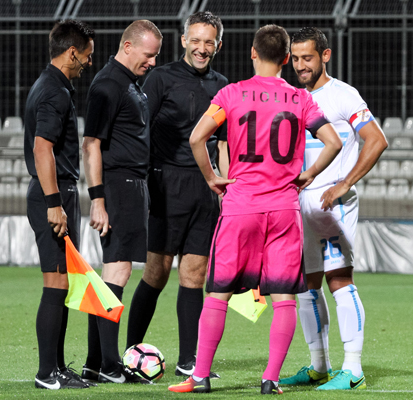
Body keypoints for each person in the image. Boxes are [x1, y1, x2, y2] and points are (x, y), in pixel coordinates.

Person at [168, 24, 342, 395]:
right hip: (283, 209)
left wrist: (212, 177)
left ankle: (200, 377)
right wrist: (309, 174)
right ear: (286, 58)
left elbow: (197, 137)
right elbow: (333, 142)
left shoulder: (231, 94)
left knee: (218, 294)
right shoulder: (300, 99)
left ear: (252, 53)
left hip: (240, 207)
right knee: (284, 299)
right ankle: (270, 379)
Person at [279, 27, 388, 391]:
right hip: (300, 204)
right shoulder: (293, 96)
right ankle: (319, 366)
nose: (301, 66)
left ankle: (353, 369)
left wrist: (344, 184)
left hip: (333, 203)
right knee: (306, 285)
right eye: (295, 59)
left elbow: (377, 140)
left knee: (339, 279)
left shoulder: (343, 95)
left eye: (308, 58)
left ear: (325, 56)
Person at [125, 11, 228, 379]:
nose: (201, 48)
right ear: (184, 40)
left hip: (205, 189)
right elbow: (140, 131)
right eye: (195, 40)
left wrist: (225, 187)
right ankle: (131, 352)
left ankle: (190, 361)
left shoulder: (223, 86)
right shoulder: (160, 78)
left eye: (208, 42)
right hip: (165, 185)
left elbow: (223, 144)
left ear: (218, 45)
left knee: (194, 276)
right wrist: (142, 182)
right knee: (156, 273)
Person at [79, 20, 163, 384]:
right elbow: (90, 144)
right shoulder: (108, 85)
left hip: (130, 185)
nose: (153, 62)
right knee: (118, 270)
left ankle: (94, 361)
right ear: (127, 47)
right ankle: (110, 365)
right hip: (118, 185)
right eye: (149, 55)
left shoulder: (128, 83)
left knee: (112, 272)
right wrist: (97, 199)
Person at [24, 19, 95, 390]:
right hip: (53, 194)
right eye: (87, 55)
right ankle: (46, 373)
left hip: (59, 192)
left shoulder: (49, 84)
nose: (89, 62)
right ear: (72, 52)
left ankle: (56, 367)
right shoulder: (55, 91)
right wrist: (54, 203)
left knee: (64, 283)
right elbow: (42, 148)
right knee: (55, 281)